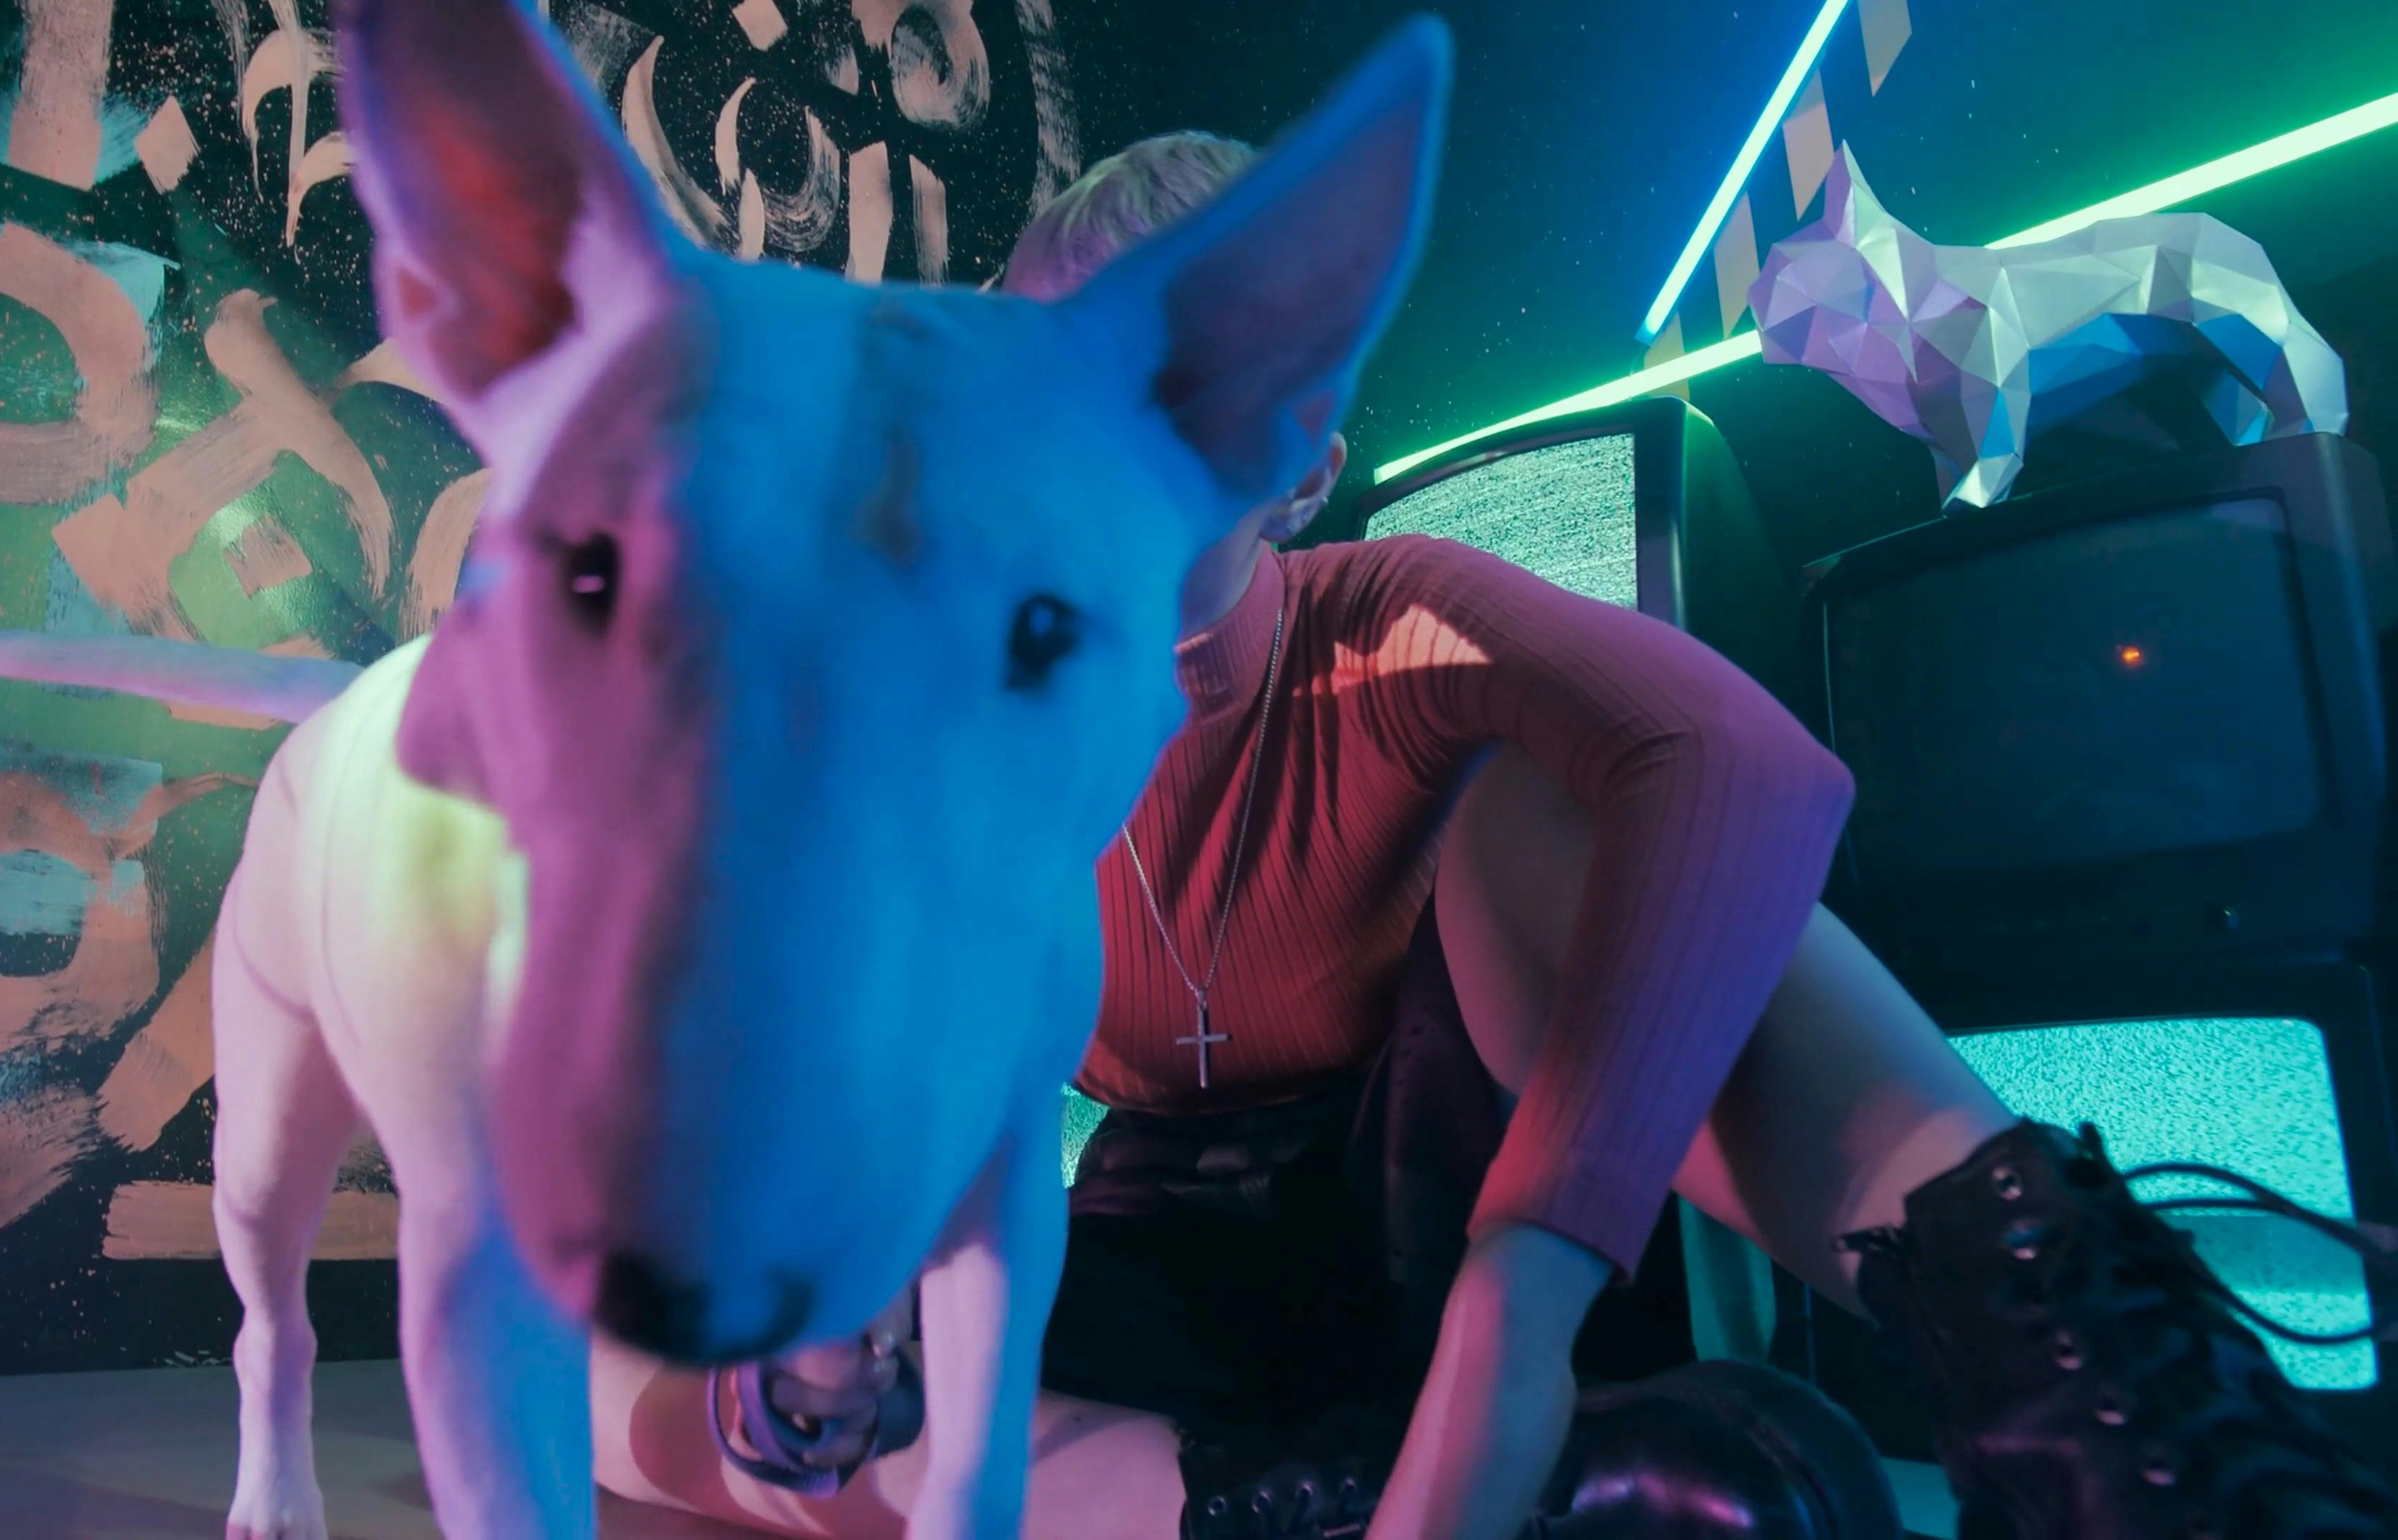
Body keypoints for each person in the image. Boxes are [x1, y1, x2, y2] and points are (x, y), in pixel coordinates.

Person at [584, 133, 2398, 1540]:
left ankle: (2114, 1420)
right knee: (652, 1363)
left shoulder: (1390, 617)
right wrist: (823, 1330)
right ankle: (1348, 1507)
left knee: (1558, 811)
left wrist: (1518, 1304)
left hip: (1442, 1190)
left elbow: (1755, 771)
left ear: (1307, 465)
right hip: (1153, 1270)